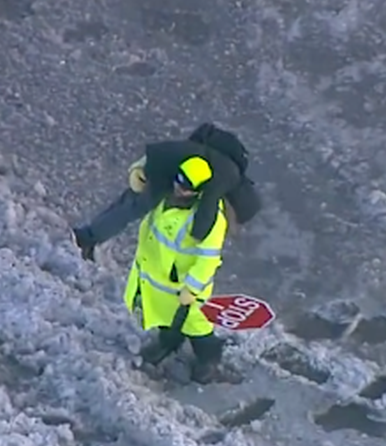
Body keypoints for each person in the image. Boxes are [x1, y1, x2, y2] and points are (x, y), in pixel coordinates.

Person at [72, 123, 260, 261]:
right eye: (234, 220)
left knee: (127, 203)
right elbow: (207, 208)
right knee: (132, 208)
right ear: (236, 206)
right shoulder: (226, 178)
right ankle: (86, 238)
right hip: (165, 169)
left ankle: (90, 236)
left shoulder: (227, 170)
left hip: (167, 162)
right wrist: (198, 239)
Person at [124, 155, 228, 384]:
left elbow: (207, 259)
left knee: (197, 325)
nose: (179, 188)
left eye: (187, 186)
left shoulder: (208, 218)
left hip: (185, 286)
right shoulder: (166, 193)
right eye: (178, 181)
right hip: (157, 279)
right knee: (165, 317)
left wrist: (192, 288)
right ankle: (168, 342)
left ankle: (209, 359)